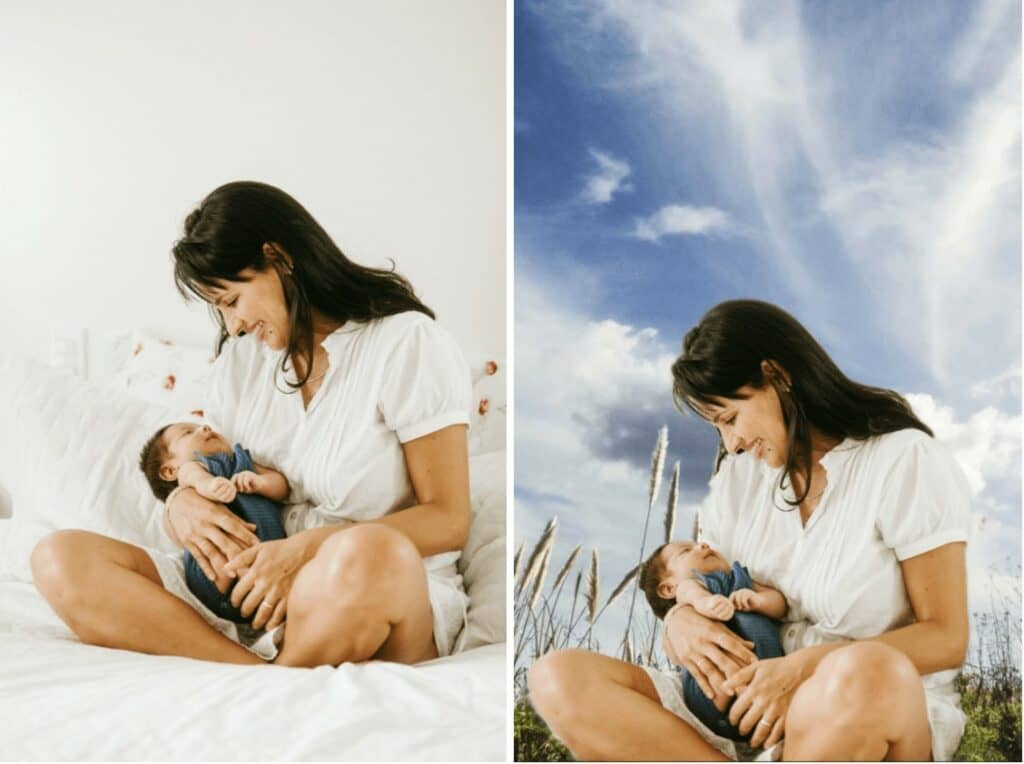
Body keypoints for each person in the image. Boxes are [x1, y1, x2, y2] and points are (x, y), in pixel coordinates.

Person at [30, 180, 472, 668]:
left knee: (372, 552)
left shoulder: (406, 343)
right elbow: (210, 469)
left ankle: (276, 676)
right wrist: (181, 503)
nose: (234, 325)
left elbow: (448, 518)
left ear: (277, 256)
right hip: (252, 597)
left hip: (369, 590)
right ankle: (255, 676)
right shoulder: (242, 364)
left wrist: (306, 551)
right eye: (219, 309)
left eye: (232, 300)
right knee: (59, 558)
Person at [528, 299, 971, 761]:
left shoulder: (902, 460)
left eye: (730, 418)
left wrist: (802, 670)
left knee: (866, 669)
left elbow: (945, 636)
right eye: (718, 428)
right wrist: (681, 621)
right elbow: (702, 582)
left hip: (859, 707)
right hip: (743, 709)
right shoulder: (740, 480)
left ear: (776, 374)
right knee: (558, 676)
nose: (732, 444)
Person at [138, 422, 289, 623]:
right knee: (217, 552)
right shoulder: (194, 468)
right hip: (215, 579)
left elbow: (282, 486)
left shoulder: (242, 461)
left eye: (201, 426)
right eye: (188, 432)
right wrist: (209, 485)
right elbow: (193, 476)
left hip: (272, 565)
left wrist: (259, 483)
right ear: (170, 470)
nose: (205, 428)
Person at [639, 540, 786, 743]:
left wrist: (758, 601)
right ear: (668, 588)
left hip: (771, 680)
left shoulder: (741, 579)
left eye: (697, 544)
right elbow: (689, 592)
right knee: (715, 672)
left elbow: (780, 603)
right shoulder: (694, 586)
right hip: (712, 692)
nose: (703, 545)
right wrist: (706, 602)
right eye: (686, 551)